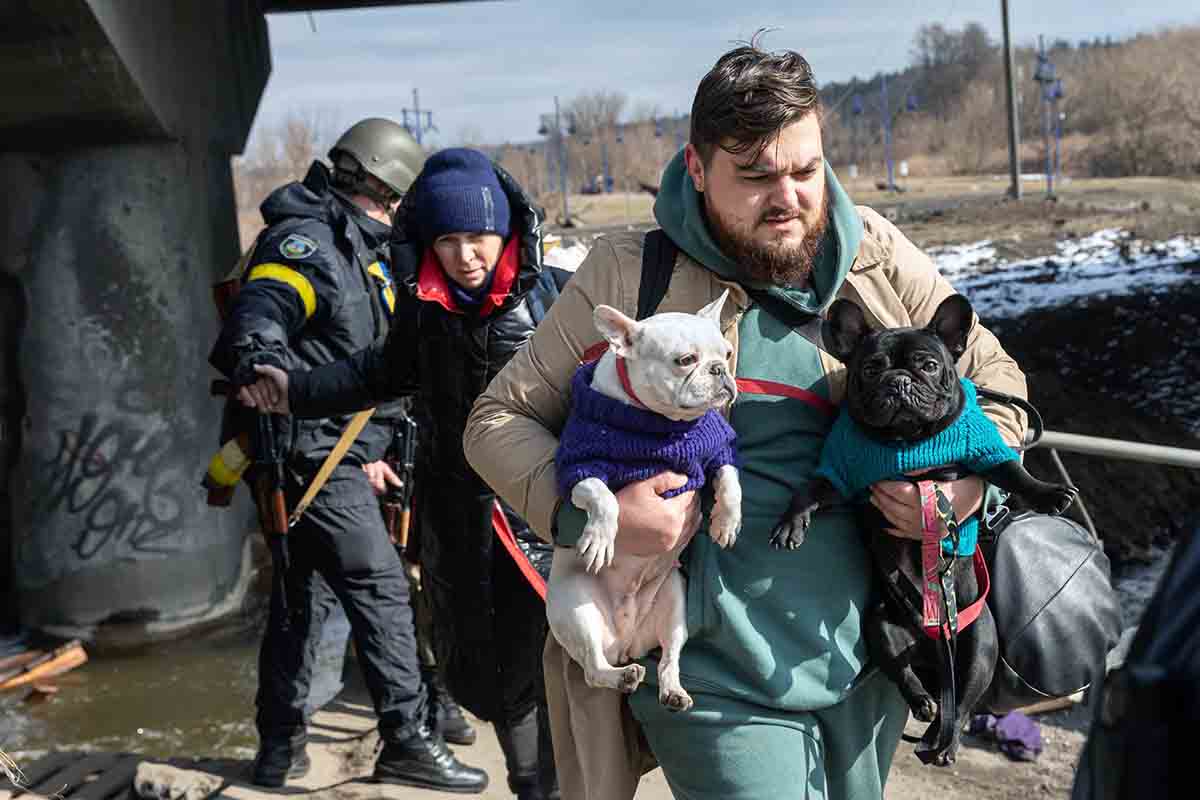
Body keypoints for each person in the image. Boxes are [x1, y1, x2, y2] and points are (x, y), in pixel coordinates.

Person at [460, 37, 1031, 800]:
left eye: (804, 170)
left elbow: (996, 379)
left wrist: (966, 490)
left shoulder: (874, 257)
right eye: (756, 176)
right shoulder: (631, 274)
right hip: (706, 666)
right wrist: (584, 514)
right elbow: (496, 419)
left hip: (873, 654)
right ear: (696, 169)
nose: (788, 197)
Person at [239, 148, 569, 800]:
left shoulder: (555, 301)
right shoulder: (425, 312)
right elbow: (376, 374)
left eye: (479, 237)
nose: (466, 255)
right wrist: (291, 390)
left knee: (562, 672)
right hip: (459, 528)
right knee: (498, 682)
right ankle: (533, 786)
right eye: (448, 240)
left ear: (506, 233)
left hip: (541, 523)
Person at [211, 118, 487, 793]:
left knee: (300, 604)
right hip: (311, 458)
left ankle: (279, 749)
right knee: (383, 590)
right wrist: (259, 357)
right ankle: (407, 740)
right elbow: (266, 304)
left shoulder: (363, 247)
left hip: (343, 455)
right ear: (386, 187)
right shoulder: (311, 243)